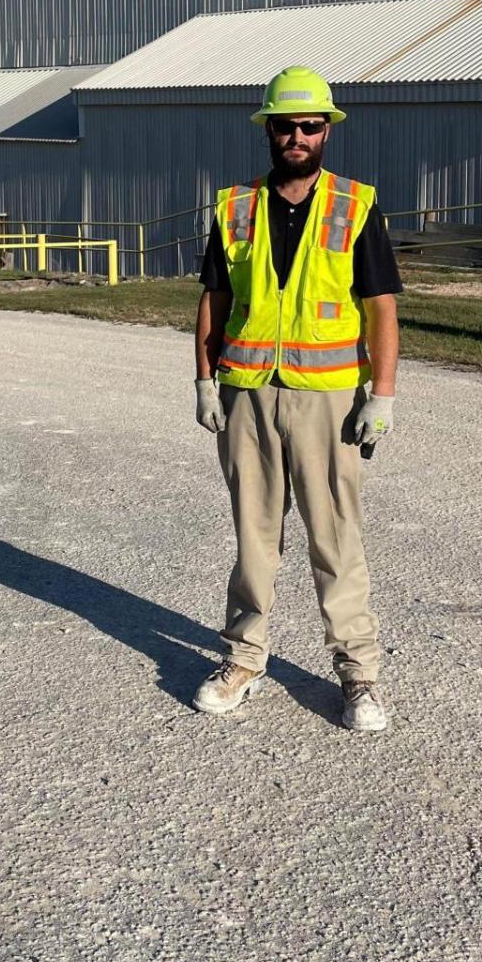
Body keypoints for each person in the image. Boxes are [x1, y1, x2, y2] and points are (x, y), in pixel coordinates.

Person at [191, 66, 402, 732]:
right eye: (286, 125)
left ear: (327, 130)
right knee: (254, 538)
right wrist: (202, 378)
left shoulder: (355, 206)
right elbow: (214, 303)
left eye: (311, 125)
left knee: (335, 539)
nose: (298, 136)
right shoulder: (235, 208)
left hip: (328, 400)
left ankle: (359, 678)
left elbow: (381, 309)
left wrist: (383, 394)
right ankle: (243, 662)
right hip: (248, 392)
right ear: (269, 128)